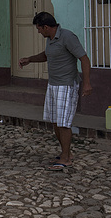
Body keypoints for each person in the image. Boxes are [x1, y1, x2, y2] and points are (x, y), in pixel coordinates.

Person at [19, 11, 92, 171]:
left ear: (46, 27)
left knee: (64, 123)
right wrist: (30, 59)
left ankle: (66, 159)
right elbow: (47, 55)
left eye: (39, 29)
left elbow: (84, 59)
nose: (38, 32)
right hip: (53, 85)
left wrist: (86, 83)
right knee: (55, 121)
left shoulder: (67, 37)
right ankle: (66, 153)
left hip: (66, 85)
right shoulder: (51, 40)